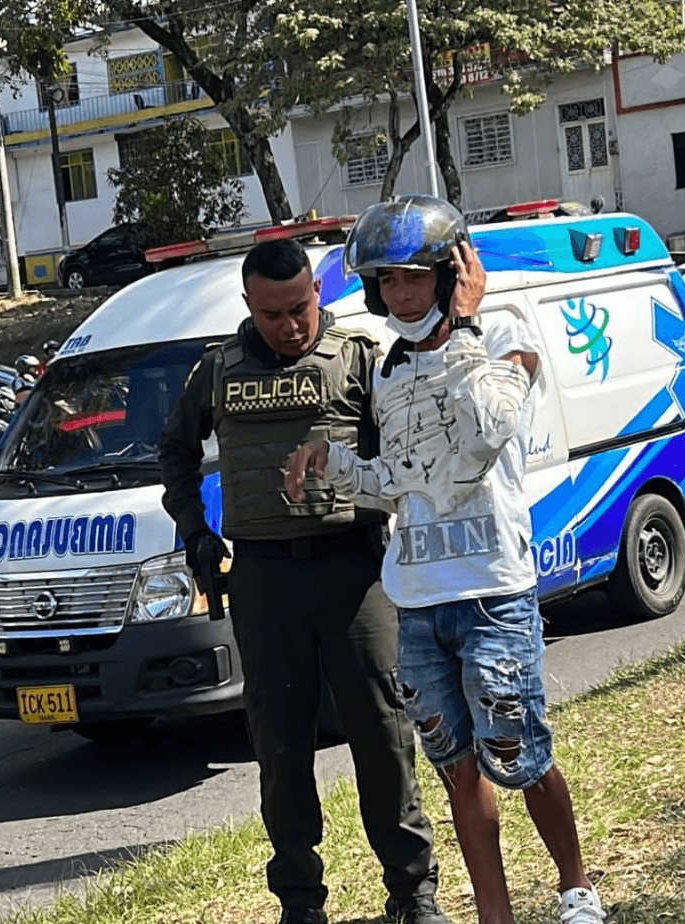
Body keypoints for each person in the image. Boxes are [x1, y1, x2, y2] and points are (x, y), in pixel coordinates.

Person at [285, 195, 602, 924]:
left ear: (452, 271)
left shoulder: (503, 335)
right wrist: (330, 462)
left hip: (492, 589)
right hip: (418, 600)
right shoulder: (389, 370)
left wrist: (463, 325)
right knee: (455, 766)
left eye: (414, 277)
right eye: (387, 281)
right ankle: (495, 913)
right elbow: (404, 481)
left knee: (517, 751)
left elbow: (490, 430)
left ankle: (575, 886)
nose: (399, 294)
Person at [157, 237, 449, 924]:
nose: (289, 326)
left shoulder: (357, 360)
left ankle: (413, 893)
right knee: (280, 746)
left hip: (354, 571)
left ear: (318, 295)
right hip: (263, 577)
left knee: (382, 735)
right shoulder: (217, 371)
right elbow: (173, 450)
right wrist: (195, 532)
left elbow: (403, 457)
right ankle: (299, 902)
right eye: (271, 315)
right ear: (248, 307)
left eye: (299, 309)